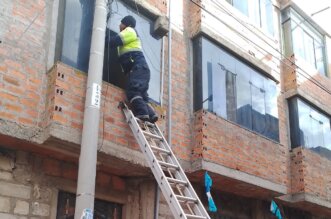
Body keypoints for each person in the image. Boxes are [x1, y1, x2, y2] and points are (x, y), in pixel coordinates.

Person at [106, 15, 158, 123]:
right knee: (142, 96)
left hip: (137, 68)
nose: (119, 25)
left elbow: (115, 41)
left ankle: (143, 114)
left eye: (121, 23)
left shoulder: (130, 31)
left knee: (132, 91)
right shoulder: (131, 33)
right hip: (141, 69)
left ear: (127, 24)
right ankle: (151, 115)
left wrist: (103, 38)